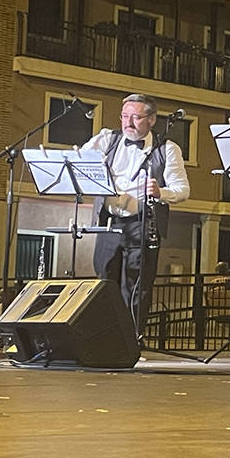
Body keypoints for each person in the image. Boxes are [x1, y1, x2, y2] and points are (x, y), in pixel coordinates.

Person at [86, 94, 190, 334]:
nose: (128, 123)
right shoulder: (107, 139)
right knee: (104, 283)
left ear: (152, 120)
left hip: (143, 223)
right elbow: (79, 160)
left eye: (135, 117)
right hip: (109, 223)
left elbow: (182, 190)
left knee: (136, 286)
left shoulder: (167, 149)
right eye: (124, 116)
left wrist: (160, 192)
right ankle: (103, 338)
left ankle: (132, 340)